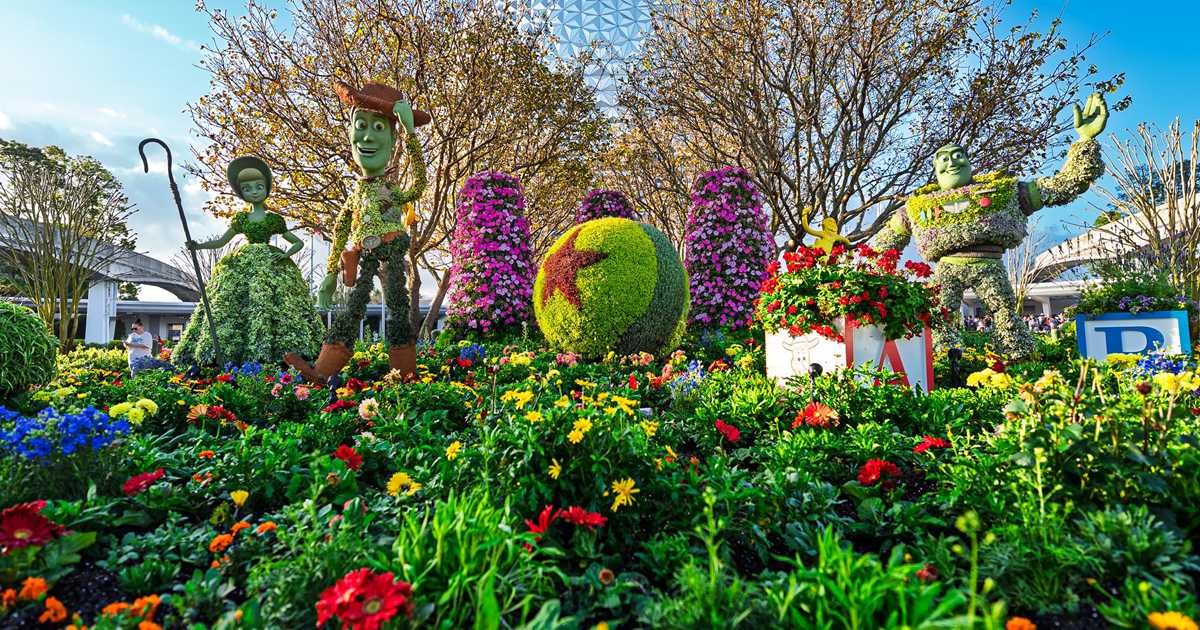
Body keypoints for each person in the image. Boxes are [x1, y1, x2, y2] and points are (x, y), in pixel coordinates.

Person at [285, 81, 430, 384]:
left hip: (390, 248)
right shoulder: (356, 193)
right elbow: (340, 229)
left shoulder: (390, 188)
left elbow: (418, 185)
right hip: (362, 253)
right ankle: (323, 370)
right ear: (350, 134)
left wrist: (411, 133)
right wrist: (328, 275)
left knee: (397, 306)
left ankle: (405, 374)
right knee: (352, 308)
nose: (367, 136)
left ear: (393, 140)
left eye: (379, 128)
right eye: (360, 125)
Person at [172, 156, 325, 367]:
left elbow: (298, 243)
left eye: (259, 186)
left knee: (274, 304)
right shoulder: (241, 220)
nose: (253, 191)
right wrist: (198, 246)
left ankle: (283, 354)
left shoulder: (274, 220)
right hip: (242, 263)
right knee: (232, 304)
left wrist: (285, 255)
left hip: (272, 264)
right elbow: (221, 242)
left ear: (266, 189)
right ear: (242, 192)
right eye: (248, 188)